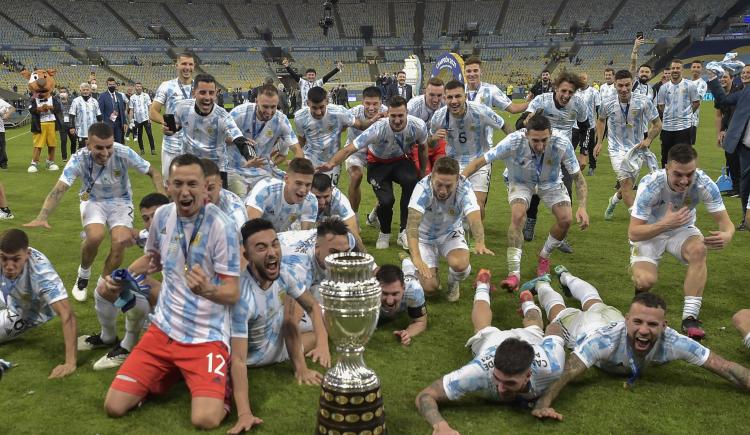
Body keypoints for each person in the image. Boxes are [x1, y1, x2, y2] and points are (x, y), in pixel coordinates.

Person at [102, 154, 241, 429]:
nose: (185, 191)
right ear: (168, 186)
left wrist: (208, 290)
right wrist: (124, 277)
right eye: (178, 183)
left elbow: (232, 292)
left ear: (205, 188)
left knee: (205, 419)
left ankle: (213, 382)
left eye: (192, 184)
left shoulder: (222, 226)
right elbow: (152, 259)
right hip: (163, 330)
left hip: (205, 336)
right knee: (114, 406)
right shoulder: (163, 215)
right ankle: (172, 372)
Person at [532, 292, 750, 421]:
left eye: (652, 324)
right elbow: (568, 371)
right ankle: (544, 284)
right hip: (584, 327)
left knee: (594, 300)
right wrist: (543, 403)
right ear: (628, 320)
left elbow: (723, 366)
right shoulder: (602, 342)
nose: (644, 330)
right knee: (557, 310)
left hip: (611, 316)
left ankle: (566, 276)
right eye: (638, 322)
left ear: (664, 326)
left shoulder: (673, 341)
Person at [24, 122, 164, 302]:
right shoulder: (78, 158)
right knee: (95, 236)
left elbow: (153, 171)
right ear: (88, 144)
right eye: (99, 147)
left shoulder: (123, 152)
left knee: (120, 241)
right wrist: (42, 216)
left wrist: (163, 203)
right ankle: (83, 274)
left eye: (109, 147)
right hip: (92, 200)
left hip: (121, 201)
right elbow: (59, 189)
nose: (105, 153)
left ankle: (102, 285)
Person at [415, 269, 566, 434]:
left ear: (528, 374)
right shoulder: (479, 371)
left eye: (510, 383)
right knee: (485, 328)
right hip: (492, 341)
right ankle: (483, 285)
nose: (501, 388)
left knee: (536, 328)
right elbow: (425, 395)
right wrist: (440, 426)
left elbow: (554, 328)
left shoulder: (551, 365)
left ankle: (527, 300)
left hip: (529, 341)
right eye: (497, 377)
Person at [462, 112, 589, 291]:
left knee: (566, 219)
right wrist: (460, 179)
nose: (540, 145)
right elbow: (480, 162)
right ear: (526, 135)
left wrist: (582, 207)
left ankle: (544, 256)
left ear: (550, 134)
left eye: (544, 140)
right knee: (518, 215)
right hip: (520, 182)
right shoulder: (513, 141)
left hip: (550, 182)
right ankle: (514, 274)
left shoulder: (562, 142)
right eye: (535, 140)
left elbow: (578, 177)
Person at [629, 144, 733, 340]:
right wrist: (665, 223)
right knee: (646, 280)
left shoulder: (704, 183)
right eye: (678, 174)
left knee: (699, 250)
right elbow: (634, 232)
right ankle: (639, 295)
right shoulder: (650, 186)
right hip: (648, 232)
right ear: (667, 167)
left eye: (690, 174)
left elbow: (726, 224)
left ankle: (690, 318)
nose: (685, 180)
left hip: (681, 229)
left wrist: (727, 235)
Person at [229, 219, 329, 399]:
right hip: (258, 356)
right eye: (261, 248)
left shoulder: (284, 273)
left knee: (322, 327)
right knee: (319, 324)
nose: (272, 252)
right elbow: (238, 359)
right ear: (247, 256)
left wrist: (322, 346)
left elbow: (312, 305)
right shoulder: (242, 297)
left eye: (275, 244)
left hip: (275, 339)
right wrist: (244, 413)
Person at [318, 96, 429, 249]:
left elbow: (423, 147)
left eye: (400, 116)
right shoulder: (377, 128)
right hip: (378, 164)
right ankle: (384, 233)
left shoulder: (418, 125)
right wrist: (331, 163)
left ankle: (404, 232)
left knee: (411, 182)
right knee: (386, 200)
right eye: (393, 116)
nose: (397, 120)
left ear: (407, 113)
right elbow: (350, 148)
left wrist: (422, 172)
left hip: (400, 161)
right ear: (388, 113)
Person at [407, 157, 493, 302]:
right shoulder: (422, 189)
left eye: (448, 186)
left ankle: (453, 282)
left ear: (457, 181)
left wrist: (479, 241)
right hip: (424, 238)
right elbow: (412, 226)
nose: (443, 191)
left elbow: (474, 218)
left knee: (461, 266)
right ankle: (410, 265)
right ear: (432, 176)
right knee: (429, 288)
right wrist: (416, 258)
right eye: (439, 184)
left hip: (450, 233)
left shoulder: (464, 188)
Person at [522, 72, 588, 249]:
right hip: (538, 152)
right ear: (556, 88)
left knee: (566, 192)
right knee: (535, 190)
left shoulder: (579, 104)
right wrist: (527, 119)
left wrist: (584, 152)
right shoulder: (541, 101)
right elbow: (521, 123)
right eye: (563, 91)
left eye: (571, 92)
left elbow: (585, 128)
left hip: (563, 152)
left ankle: (561, 237)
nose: (566, 96)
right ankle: (531, 219)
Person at [0, 228, 77, 378]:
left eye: (16, 259)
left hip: (25, 310)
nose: (9, 266)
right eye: (4, 258)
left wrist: (70, 363)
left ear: (27, 254)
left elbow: (67, 314)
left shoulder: (42, 274)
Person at [430, 80, 509, 220]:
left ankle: (475, 239)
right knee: (449, 204)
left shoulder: (481, 111)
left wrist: (516, 141)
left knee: (477, 205)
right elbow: (430, 144)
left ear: (465, 96)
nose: (454, 101)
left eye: (458, 96)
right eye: (449, 97)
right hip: (453, 163)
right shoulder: (439, 116)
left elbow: (503, 125)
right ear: (444, 98)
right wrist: (434, 139)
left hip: (479, 160)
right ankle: (455, 235)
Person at [595, 70, 662, 220]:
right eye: (620, 85)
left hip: (637, 150)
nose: (624, 89)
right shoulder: (607, 103)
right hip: (616, 150)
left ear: (632, 84)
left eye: (627, 85)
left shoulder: (643, 101)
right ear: (615, 85)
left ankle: (612, 202)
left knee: (628, 186)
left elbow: (657, 124)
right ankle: (638, 219)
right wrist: (599, 142)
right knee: (625, 183)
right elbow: (600, 120)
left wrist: (648, 139)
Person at [168, 74, 249, 188]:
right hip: (189, 166)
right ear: (193, 93)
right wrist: (169, 129)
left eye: (211, 93)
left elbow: (237, 136)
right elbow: (176, 124)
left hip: (216, 169)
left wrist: (250, 155)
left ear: (216, 94)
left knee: (217, 204)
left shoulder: (222, 116)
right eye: (202, 92)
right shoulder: (183, 107)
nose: (207, 97)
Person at [293, 86, 378, 186]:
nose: (318, 112)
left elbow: (360, 125)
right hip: (310, 158)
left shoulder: (339, 112)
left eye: (321, 107)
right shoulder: (300, 117)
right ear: (308, 103)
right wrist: (298, 160)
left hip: (333, 161)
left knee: (327, 195)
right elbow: (301, 140)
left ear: (327, 102)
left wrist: (373, 120)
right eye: (314, 108)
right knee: (306, 192)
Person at [228, 84, 297, 197]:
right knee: (241, 200)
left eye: (273, 107)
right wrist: (239, 140)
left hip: (261, 171)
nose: (269, 112)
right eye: (265, 106)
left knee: (286, 192)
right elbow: (221, 138)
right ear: (256, 101)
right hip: (235, 169)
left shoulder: (281, 120)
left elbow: (296, 148)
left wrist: (298, 167)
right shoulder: (239, 113)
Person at [706, 64, 750, 231]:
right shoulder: (744, 93)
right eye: (744, 72)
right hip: (746, 147)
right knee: (745, 184)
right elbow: (723, 101)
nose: (745, 75)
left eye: (749, 72)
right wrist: (712, 79)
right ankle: (746, 220)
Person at [150, 53, 195, 184]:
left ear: (194, 66)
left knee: (193, 184)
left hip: (194, 146)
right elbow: (153, 111)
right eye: (184, 64)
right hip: (172, 145)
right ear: (177, 65)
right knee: (169, 184)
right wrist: (166, 123)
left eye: (190, 64)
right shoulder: (167, 86)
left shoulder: (199, 87)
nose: (187, 67)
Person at [345, 86, 388, 215]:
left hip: (377, 154)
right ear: (362, 102)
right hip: (355, 152)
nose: (371, 107)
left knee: (385, 186)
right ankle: (354, 217)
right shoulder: (353, 113)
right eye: (367, 103)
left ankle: (374, 215)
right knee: (356, 176)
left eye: (375, 104)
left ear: (381, 102)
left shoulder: (387, 113)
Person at [245, 157, 318, 232]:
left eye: (308, 185)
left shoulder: (311, 201)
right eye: (298, 183)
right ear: (286, 179)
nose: (303, 190)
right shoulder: (267, 190)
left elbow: (306, 236)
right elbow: (249, 229)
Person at [657, 59, 700, 166]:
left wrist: (686, 115)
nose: (675, 70)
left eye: (677, 68)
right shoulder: (663, 88)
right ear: (670, 70)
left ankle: (684, 181)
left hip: (683, 128)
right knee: (666, 158)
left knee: (684, 157)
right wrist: (670, 115)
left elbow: (696, 102)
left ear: (682, 70)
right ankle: (666, 180)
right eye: (673, 68)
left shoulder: (690, 85)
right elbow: (661, 105)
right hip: (667, 128)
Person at [376, 259, 427, 346]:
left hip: (409, 283)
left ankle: (407, 263)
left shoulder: (414, 290)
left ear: (403, 288)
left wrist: (407, 333)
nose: (390, 301)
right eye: (384, 293)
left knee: (410, 276)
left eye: (395, 293)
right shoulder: (364, 294)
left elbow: (420, 322)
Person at [310, 172, 364, 251]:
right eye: (317, 197)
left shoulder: (341, 201)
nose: (322, 202)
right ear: (309, 191)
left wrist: (364, 258)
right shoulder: (302, 196)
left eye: (326, 196)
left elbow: (353, 233)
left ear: (331, 190)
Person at [407, 77, 446, 175]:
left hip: (437, 144)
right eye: (432, 95)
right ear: (425, 92)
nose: (436, 99)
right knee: (425, 177)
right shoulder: (413, 106)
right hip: (418, 146)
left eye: (439, 95)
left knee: (442, 173)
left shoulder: (446, 104)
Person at [202, 159, 248, 232]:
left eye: (210, 188)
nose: (204, 195)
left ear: (220, 185)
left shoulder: (235, 215)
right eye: (200, 188)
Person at [572, 73, 600, 175]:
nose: (582, 80)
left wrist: (598, 123)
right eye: (580, 78)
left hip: (589, 125)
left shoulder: (594, 92)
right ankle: (570, 166)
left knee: (590, 147)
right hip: (575, 125)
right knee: (571, 146)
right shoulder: (574, 92)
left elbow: (598, 108)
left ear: (587, 79)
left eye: (583, 78)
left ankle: (592, 167)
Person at [68, 83, 102, 154]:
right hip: (81, 131)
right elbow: (71, 115)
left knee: (93, 150)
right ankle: (81, 164)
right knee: (81, 151)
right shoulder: (76, 101)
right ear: (80, 90)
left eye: (87, 90)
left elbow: (99, 116)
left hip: (93, 131)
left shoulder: (94, 101)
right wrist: (71, 127)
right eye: (84, 90)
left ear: (90, 90)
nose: (85, 91)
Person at [97, 78, 128, 144]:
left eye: (113, 84)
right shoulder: (102, 96)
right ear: (107, 85)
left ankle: (117, 154)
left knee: (119, 142)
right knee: (109, 142)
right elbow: (100, 111)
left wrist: (125, 122)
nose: (112, 86)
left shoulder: (119, 95)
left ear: (116, 85)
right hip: (108, 123)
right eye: (110, 84)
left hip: (119, 123)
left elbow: (122, 110)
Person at [128, 82, 155, 155]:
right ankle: (142, 150)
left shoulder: (146, 95)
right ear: (135, 88)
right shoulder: (132, 97)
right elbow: (131, 109)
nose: (139, 87)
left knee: (149, 134)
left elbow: (150, 107)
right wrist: (131, 121)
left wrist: (151, 118)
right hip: (137, 120)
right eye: (137, 86)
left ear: (142, 87)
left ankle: (153, 149)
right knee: (139, 135)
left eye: (140, 86)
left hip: (146, 118)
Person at [688, 60, 707, 145]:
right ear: (691, 68)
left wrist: (686, 114)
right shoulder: (686, 82)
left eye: (698, 67)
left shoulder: (702, 83)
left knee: (687, 148)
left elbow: (696, 101)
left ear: (701, 69)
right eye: (694, 67)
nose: (696, 69)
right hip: (679, 120)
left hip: (691, 120)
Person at [56, 87, 76, 162]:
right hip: (62, 125)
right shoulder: (57, 102)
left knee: (73, 141)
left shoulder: (72, 102)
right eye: (61, 92)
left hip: (71, 124)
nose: (62, 93)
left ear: (67, 93)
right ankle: (64, 157)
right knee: (63, 141)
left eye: (64, 92)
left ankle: (73, 155)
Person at [0, 96, 13, 168]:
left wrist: (6, 116)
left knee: (2, 147)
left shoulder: (1, 101)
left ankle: (3, 163)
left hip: (0, 129)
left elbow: (11, 108)